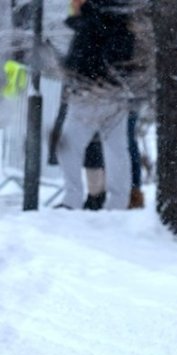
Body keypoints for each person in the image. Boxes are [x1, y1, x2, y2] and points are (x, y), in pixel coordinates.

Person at [55, 0, 135, 210]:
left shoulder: (89, 25)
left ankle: (72, 198)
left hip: (88, 95)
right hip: (115, 94)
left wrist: (75, 75)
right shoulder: (118, 20)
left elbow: (82, 59)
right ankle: (118, 202)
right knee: (117, 151)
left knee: (69, 147)